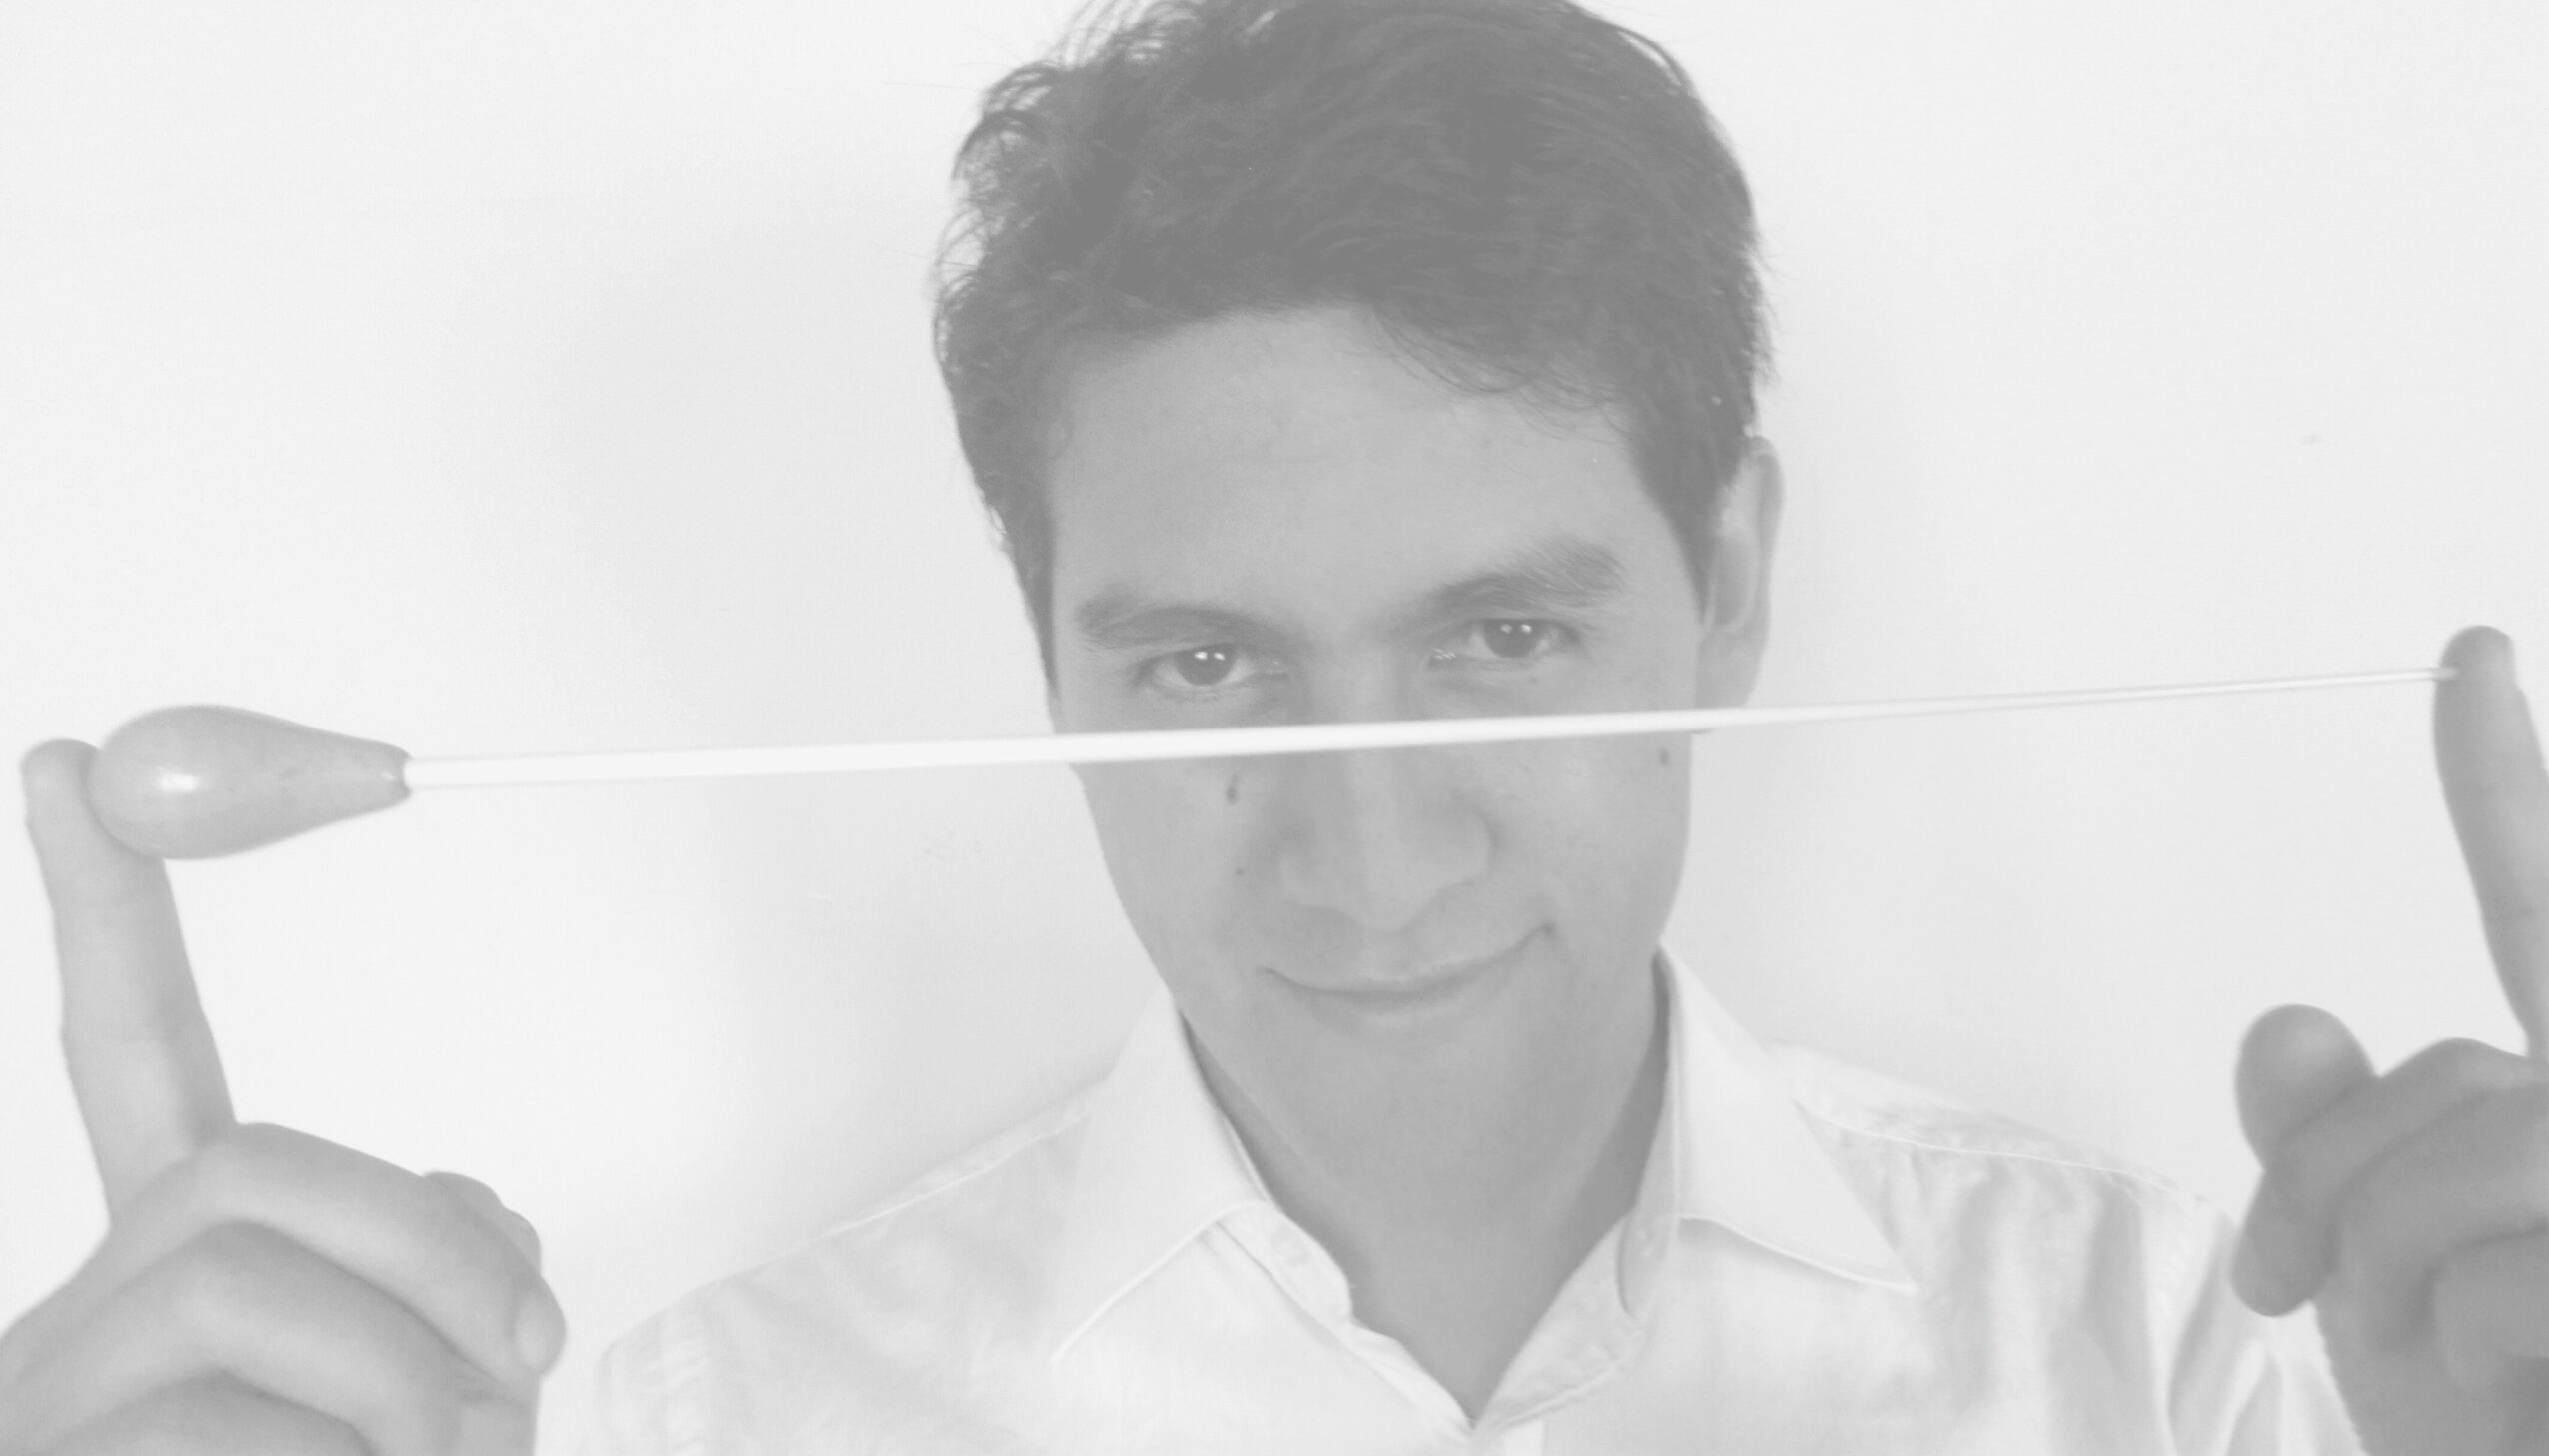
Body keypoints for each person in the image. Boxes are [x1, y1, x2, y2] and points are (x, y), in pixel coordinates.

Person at [6, 0, 2545, 1451]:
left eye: (1502, 636)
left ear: (1732, 582)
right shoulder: (703, 1426)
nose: (1371, 858)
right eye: (1207, 663)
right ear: (1044, 654)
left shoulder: (2215, 1383)